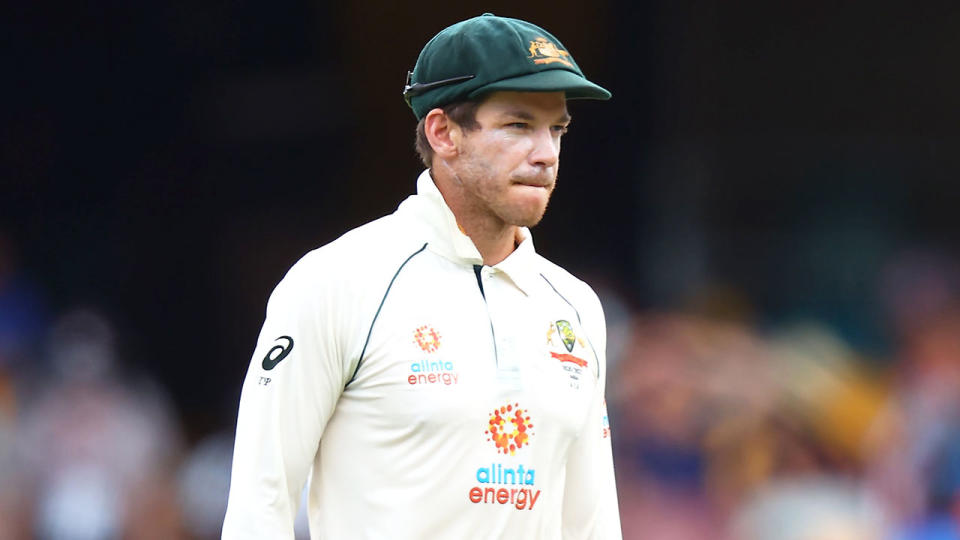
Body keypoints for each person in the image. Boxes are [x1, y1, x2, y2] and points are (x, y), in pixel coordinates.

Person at [223, 13, 621, 539]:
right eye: (519, 125)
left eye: (558, 130)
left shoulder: (575, 307)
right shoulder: (336, 281)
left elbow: (592, 526)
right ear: (442, 132)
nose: (547, 154)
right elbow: (259, 506)